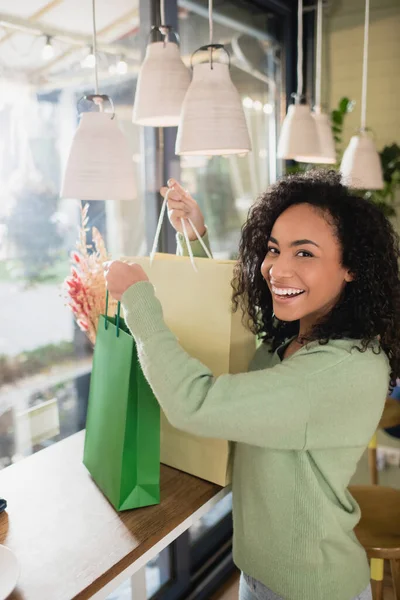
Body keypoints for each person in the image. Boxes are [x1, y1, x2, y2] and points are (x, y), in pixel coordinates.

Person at [104, 170, 400, 600]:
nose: (278, 268)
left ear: (352, 267)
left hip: (309, 589)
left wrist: (138, 302)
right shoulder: (301, 336)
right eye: (275, 249)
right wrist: (194, 237)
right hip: (263, 576)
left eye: (305, 254)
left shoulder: (340, 369)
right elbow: (235, 330)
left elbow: (195, 403)